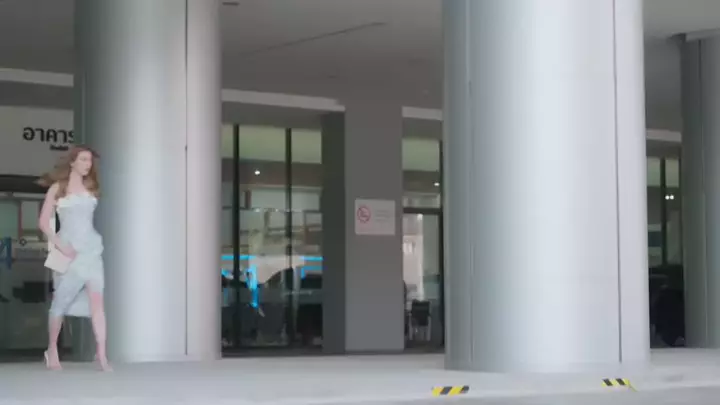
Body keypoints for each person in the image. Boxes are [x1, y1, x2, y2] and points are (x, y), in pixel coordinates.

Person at [37, 145, 111, 372]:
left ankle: (102, 354)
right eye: (83, 160)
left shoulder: (91, 187)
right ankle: (52, 349)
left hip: (91, 250)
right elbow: (43, 222)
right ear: (72, 162)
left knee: (97, 302)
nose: (88, 164)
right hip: (66, 251)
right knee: (60, 302)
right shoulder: (58, 188)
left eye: (89, 160)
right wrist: (60, 244)